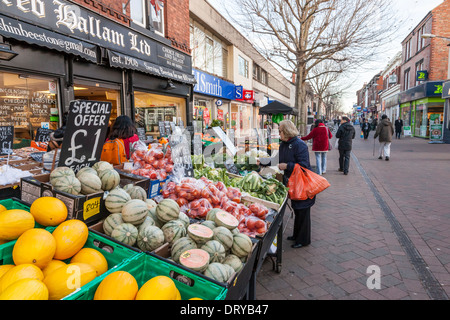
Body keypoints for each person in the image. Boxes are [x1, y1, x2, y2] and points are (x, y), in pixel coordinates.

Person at [259, 120, 315, 249]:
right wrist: (261, 161)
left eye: (280, 131)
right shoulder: (284, 144)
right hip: (292, 182)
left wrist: (287, 166)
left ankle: (303, 239)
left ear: (287, 131)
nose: (279, 133)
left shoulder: (299, 145)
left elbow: (304, 166)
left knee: (303, 211)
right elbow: (276, 159)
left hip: (302, 183)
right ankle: (296, 235)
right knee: (297, 209)